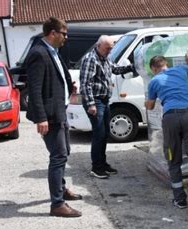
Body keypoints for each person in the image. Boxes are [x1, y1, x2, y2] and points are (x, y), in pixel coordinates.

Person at [26, 17, 82, 218]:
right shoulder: (39, 54)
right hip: (50, 115)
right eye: (64, 34)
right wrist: (41, 118)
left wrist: (69, 85)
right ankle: (57, 204)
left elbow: (58, 76)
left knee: (64, 151)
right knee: (58, 156)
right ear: (53, 33)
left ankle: (62, 188)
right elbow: (34, 88)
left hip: (60, 110)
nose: (66, 38)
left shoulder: (53, 52)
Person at [145, 51, 188, 217]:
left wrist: (147, 99)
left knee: (173, 158)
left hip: (170, 118)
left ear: (154, 68)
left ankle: (180, 199)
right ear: (166, 64)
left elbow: (150, 106)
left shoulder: (154, 81)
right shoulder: (181, 70)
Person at [79, 35, 135, 179]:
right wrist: (91, 104)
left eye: (111, 48)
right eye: (107, 48)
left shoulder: (105, 58)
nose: (109, 51)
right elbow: (85, 84)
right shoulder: (90, 59)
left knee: (104, 134)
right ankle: (96, 167)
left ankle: (103, 164)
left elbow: (115, 69)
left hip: (104, 100)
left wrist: (133, 67)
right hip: (95, 101)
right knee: (99, 134)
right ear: (98, 46)